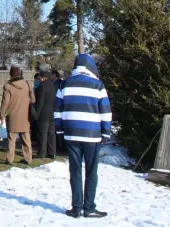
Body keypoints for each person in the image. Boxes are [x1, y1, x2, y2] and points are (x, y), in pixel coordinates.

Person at [55, 54, 111, 219]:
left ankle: (76, 208)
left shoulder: (64, 84)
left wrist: (60, 130)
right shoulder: (98, 85)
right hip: (92, 135)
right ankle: (89, 208)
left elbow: (57, 110)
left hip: (71, 134)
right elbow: (105, 112)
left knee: (75, 171)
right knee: (91, 172)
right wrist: (105, 132)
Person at [0, 66, 35, 165]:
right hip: (25, 116)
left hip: (12, 116)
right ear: (20, 74)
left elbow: (5, 103)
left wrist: (2, 114)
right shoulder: (28, 84)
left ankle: (9, 159)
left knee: (11, 139)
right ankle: (28, 158)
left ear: (11, 74)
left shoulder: (8, 86)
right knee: (26, 139)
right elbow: (33, 99)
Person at [35, 70, 56, 159]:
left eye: (40, 77)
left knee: (42, 134)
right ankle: (52, 152)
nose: (39, 79)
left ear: (43, 77)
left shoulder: (42, 86)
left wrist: (36, 114)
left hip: (43, 113)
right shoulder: (52, 85)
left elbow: (40, 102)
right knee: (51, 133)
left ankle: (42, 153)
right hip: (51, 113)